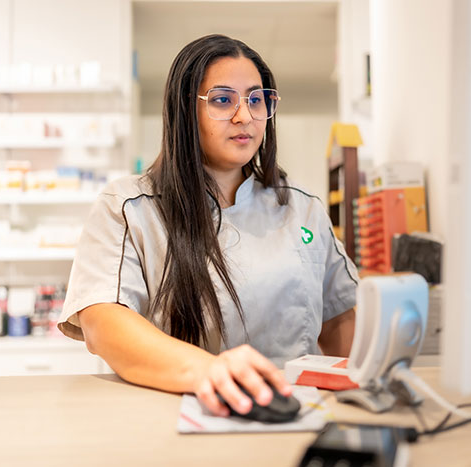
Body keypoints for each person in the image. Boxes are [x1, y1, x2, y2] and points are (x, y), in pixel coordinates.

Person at [57, 34, 359, 418]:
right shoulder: (128, 207)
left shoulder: (303, 209)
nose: (244, 116)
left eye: (255, 99)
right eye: (222, 100)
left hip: (292, 415)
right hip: (173, 415)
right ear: (185, 111)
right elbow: (104, 325)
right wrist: (209, 371)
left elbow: (341, 320)